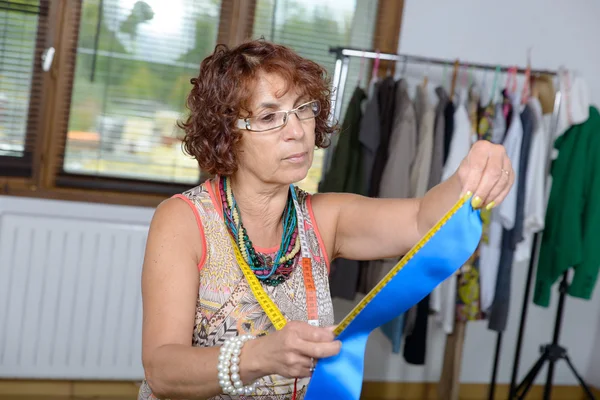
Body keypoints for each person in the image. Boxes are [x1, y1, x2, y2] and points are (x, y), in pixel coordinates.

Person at [138, 39, 514, 400]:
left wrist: (473, 169)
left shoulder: (323, 217)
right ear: (226, 134)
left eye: (304, 108)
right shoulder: (183, 221)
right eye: (270, 116)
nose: (298, 131)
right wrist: (260, 356)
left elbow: (421, 220)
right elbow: (162, 369)